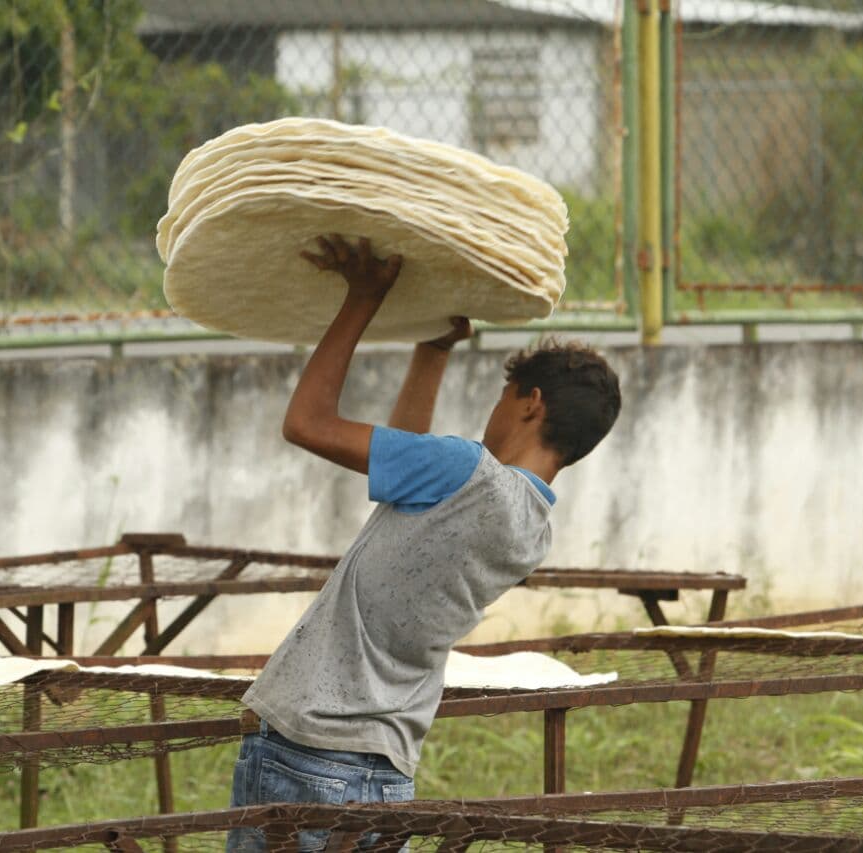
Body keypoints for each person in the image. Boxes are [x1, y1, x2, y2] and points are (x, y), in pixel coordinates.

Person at [227, 234, 621, 852]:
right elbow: (408, 464)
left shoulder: (466, 471)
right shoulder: (533, 528)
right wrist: (432, 351)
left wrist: (362, 299)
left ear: (531, 403)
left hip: (309, 758)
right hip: (385, 778)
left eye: (502, 397)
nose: (493, 413)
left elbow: (306, 422)